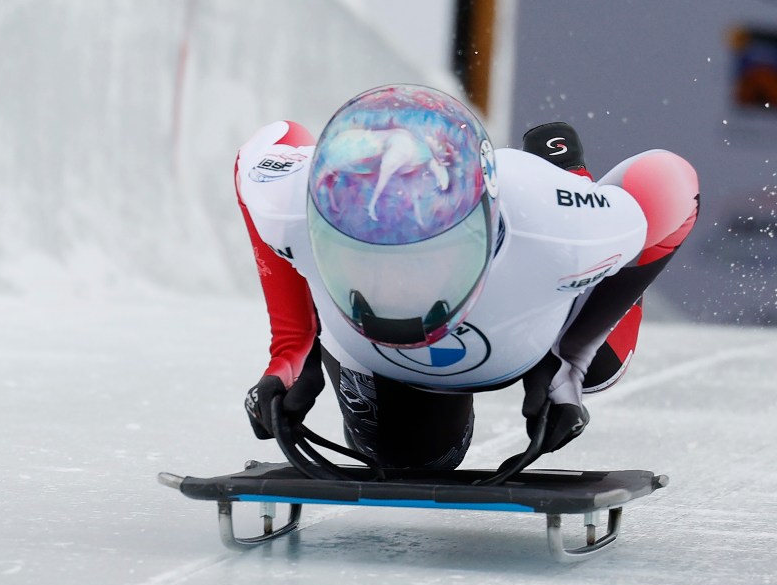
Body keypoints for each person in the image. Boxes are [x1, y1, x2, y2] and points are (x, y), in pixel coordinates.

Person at [235, 84, 699, 471]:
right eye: (361, 256)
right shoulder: (289, 200)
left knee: (601, 370)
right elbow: (265, 151)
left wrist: (572, 359)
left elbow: (671, 184)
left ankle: (569, 177)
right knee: (411, 462)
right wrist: (292, 353)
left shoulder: (561, 231)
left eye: (422, 259)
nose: (394, 290)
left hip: (545, 258)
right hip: (392, 355)